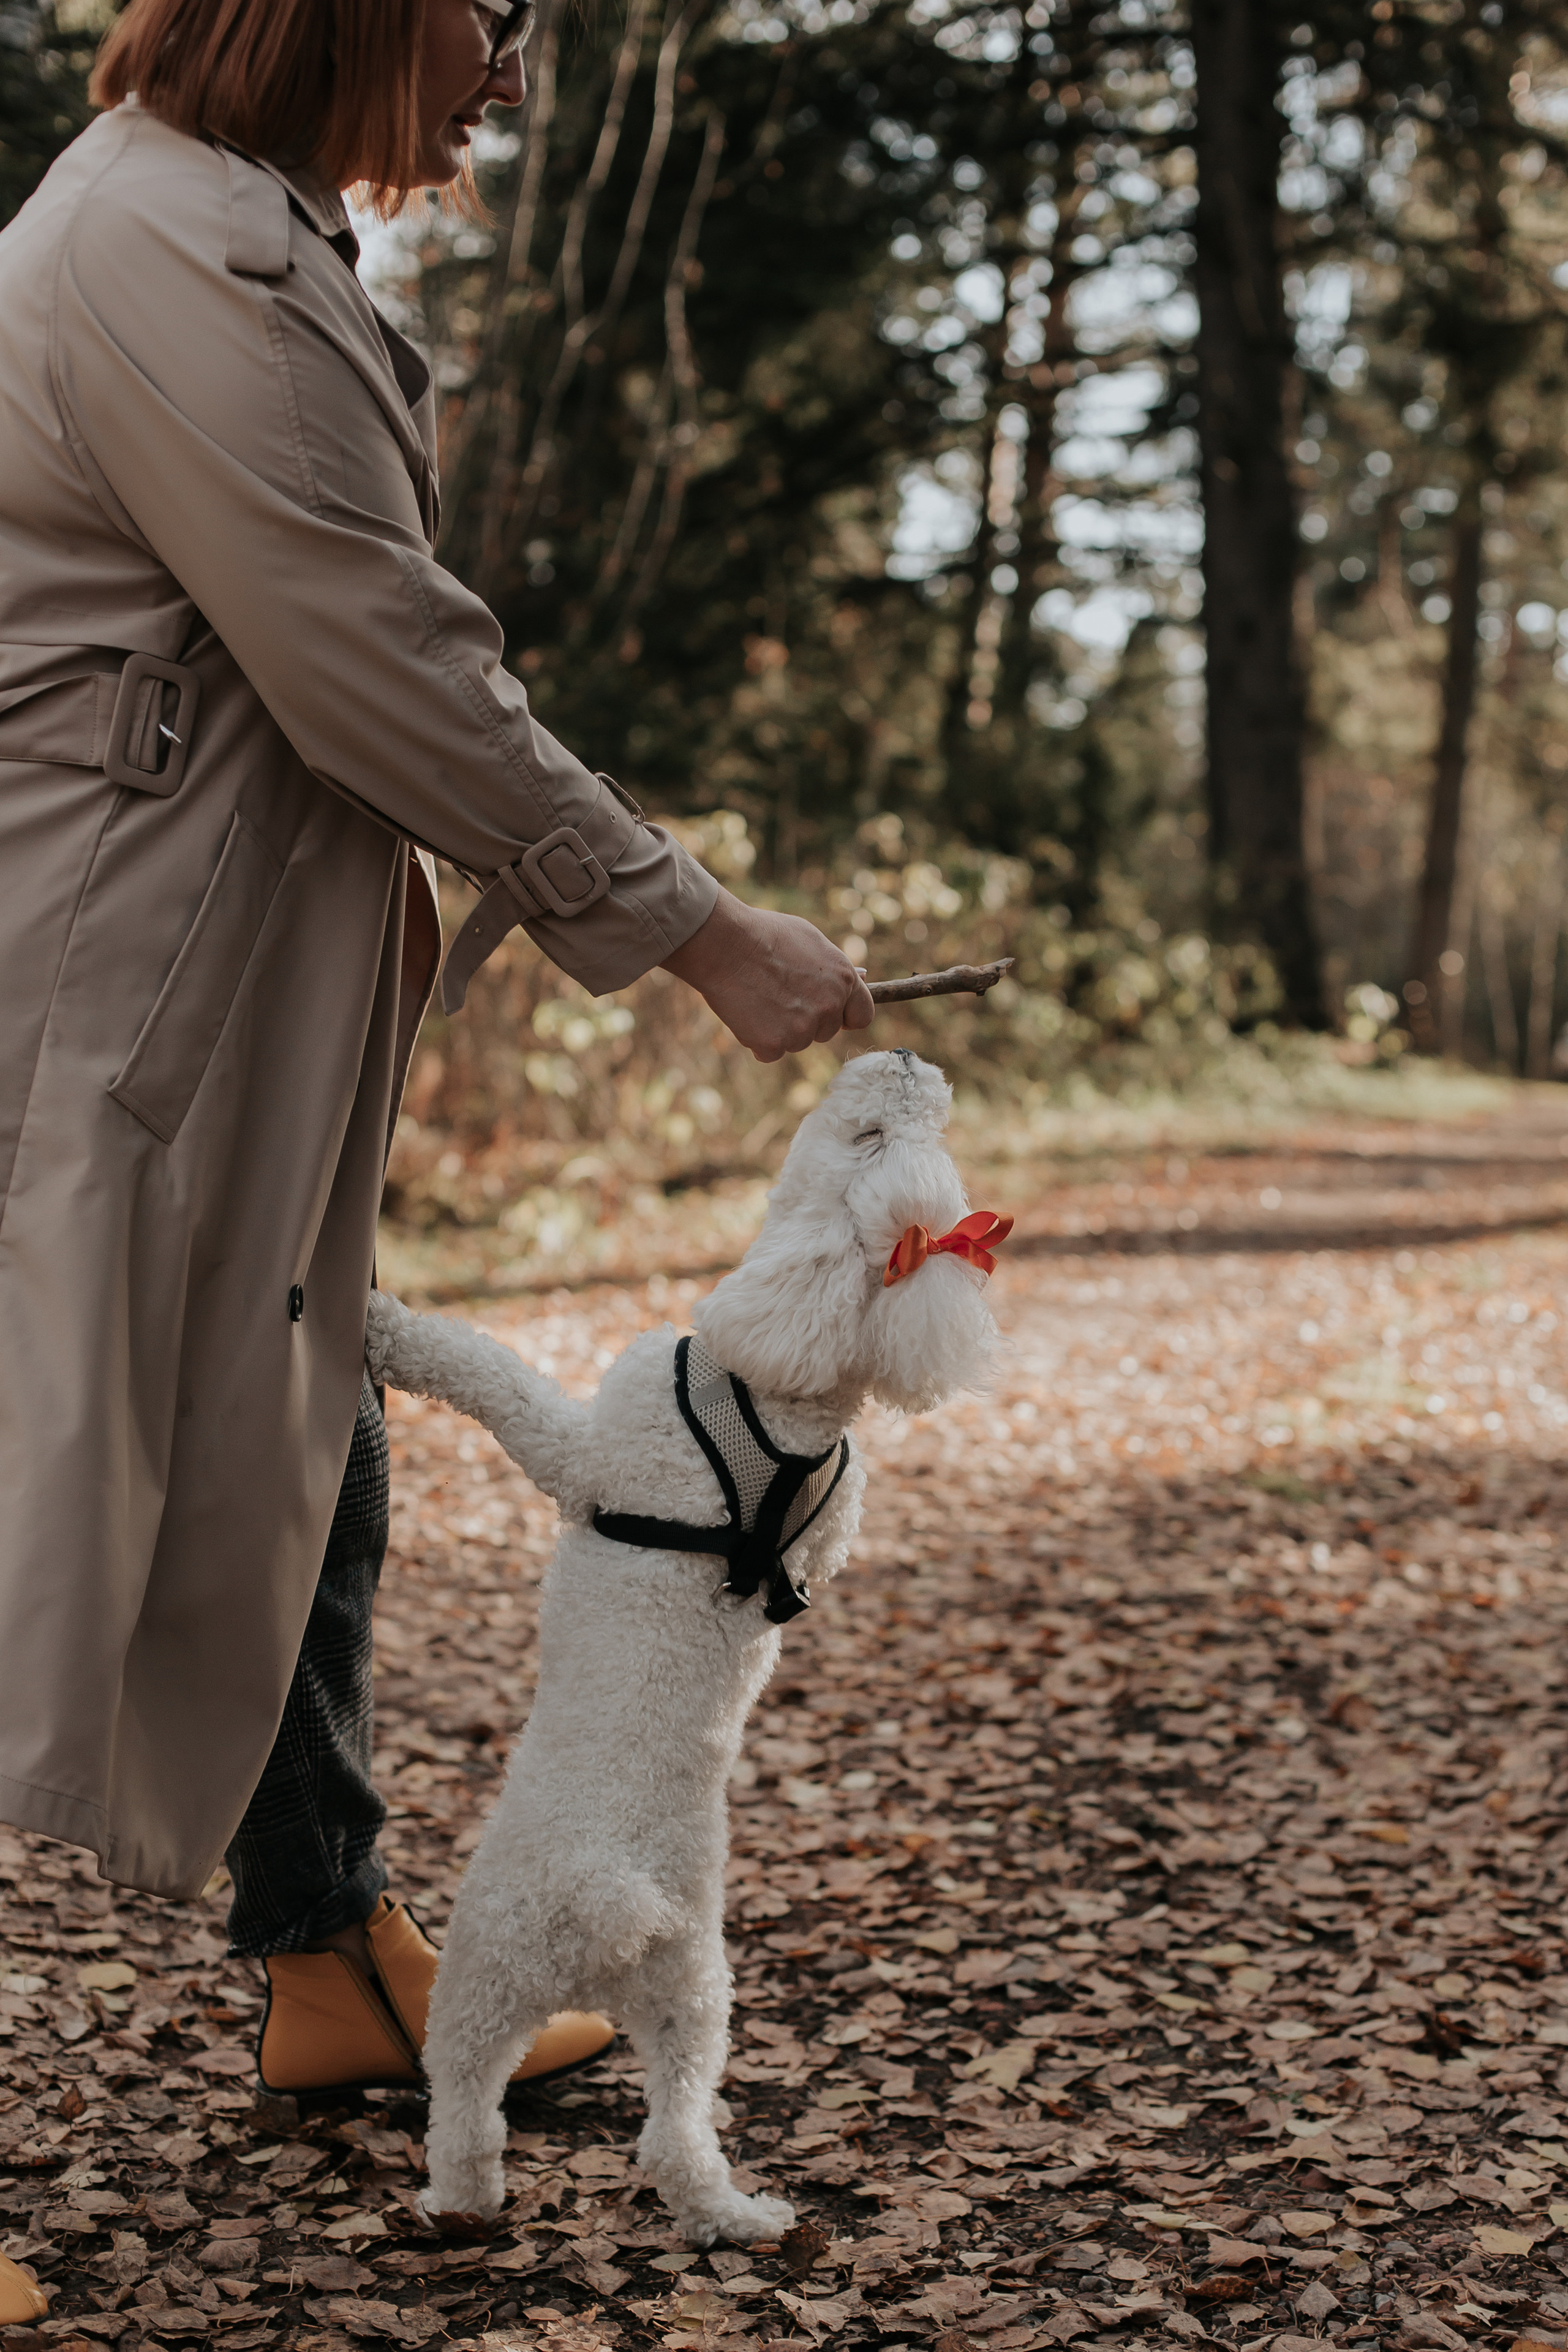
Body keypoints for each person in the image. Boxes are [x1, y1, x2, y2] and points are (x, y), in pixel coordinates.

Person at [0, 0, 874, 2280]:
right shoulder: (172, 247)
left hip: (186, 989)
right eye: (486, 9)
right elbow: (379, 652)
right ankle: (326, 1943)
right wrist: (692, 926)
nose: (508, 65)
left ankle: (328, 1947)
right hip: (81, 997)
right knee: (49, 1481)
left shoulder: (239, 227)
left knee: (302, 1425)